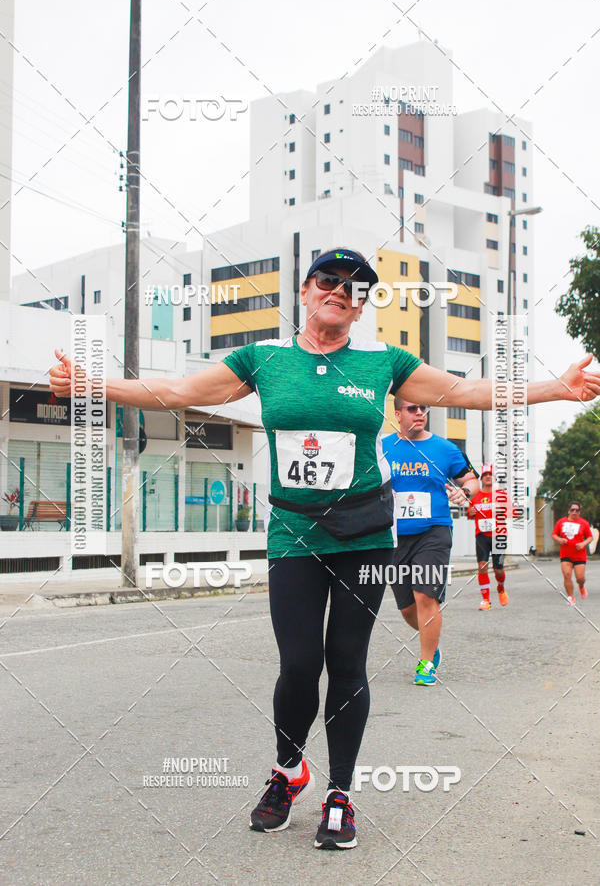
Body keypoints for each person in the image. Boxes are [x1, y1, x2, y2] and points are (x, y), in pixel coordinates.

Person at [49, 247, 600, 851]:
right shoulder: (262, 360)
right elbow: (177, 391)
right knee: (297, 664)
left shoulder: (382, 363)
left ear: (361, 305)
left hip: (363, 534)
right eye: (328, 280)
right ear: (306, 292)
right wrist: (90, 383)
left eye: (354, 286)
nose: (340, 290)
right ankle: (289, 771)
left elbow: (467, 390)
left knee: (347, 661)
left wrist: (558, 388)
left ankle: (340, 793)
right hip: (293, 533)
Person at [383, 398, 479, 685]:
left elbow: (470, 479)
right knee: (407, 608)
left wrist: (466, 493)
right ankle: (432, 642)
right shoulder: (383, 447)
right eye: (412, 409)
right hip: (395, 536)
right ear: (398, 413)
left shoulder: (446, 449)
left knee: (425, 596)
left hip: (434, 531)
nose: (419, 413)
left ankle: (426, 664)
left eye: (423, 409)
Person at [466, 464, 511, 610]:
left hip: (499, 535)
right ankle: (486, 600)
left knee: (498, 569)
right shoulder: (476, 496)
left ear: (493, 478)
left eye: (490, 475)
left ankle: (501, 588)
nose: (487, 477)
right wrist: (471, 512)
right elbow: (469, 514)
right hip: (481, 535)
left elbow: (511, 512)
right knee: (482, 566)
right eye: (485, 475)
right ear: (482, 479)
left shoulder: (501, 495)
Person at [552, 502, 593, 605]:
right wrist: (560, 540)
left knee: (580, 578)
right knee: (567, 575)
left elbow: (590, 537)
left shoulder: (584, 523)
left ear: (579, 512)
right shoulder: (561, 522)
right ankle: (570, 597)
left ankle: (581, 586)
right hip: (566, 554)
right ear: (568, 511)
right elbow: (554, 534)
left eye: (577, 510)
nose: (574, 512)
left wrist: (583, 544)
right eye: (572, 510)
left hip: (579, 554)